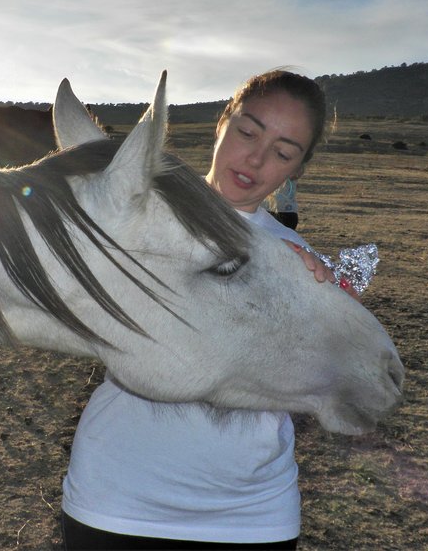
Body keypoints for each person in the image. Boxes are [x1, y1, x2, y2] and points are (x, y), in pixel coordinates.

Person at [61, 70, 358, 550]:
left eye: (283, 152)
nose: (256, 159)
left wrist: (337, 327)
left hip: (252, 514)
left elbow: (326, 388)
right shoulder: (138, 215)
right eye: (248, 132)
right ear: (222, 122)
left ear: (297, 170)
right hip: (118, 500)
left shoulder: (295, 258)